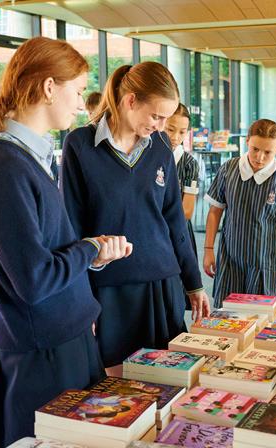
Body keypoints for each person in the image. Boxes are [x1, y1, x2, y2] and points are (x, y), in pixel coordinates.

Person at [0, 37, 131, 447]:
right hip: (43, 351)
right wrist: (89, 249)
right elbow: (33, 280)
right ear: (49, 87)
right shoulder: (4, 166)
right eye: (77, 90)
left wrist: (91, 256)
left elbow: (43, 250)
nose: (81, 103)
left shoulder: (27, 156)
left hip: (60, 336)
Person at [62, 61, 212, 377]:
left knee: (168, 381)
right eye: (156, 116)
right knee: (115, 389)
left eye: (166, 118)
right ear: (130, 100)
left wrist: (194, 284)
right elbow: (72, 228)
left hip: (161, 284)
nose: (161, 126)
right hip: (107, 289)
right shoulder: (80, 145)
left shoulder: (159, 145)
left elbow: (174, 219)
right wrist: (78, 299)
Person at [203, 119, 276, 307]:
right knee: (226, 314)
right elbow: (215, 212)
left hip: (264, 265)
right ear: (247, 141)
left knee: (262, 317)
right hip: (230, 261)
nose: (260, 157)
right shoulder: (228, 170)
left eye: (267, 152)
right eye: (255, 149)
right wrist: (208, 250)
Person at [164, 103, 200, 260]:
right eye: (170, 129)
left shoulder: (189, 164)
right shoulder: (147, 157)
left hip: (178, 232)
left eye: (182, 132)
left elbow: (187, 211)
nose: (175, 137)